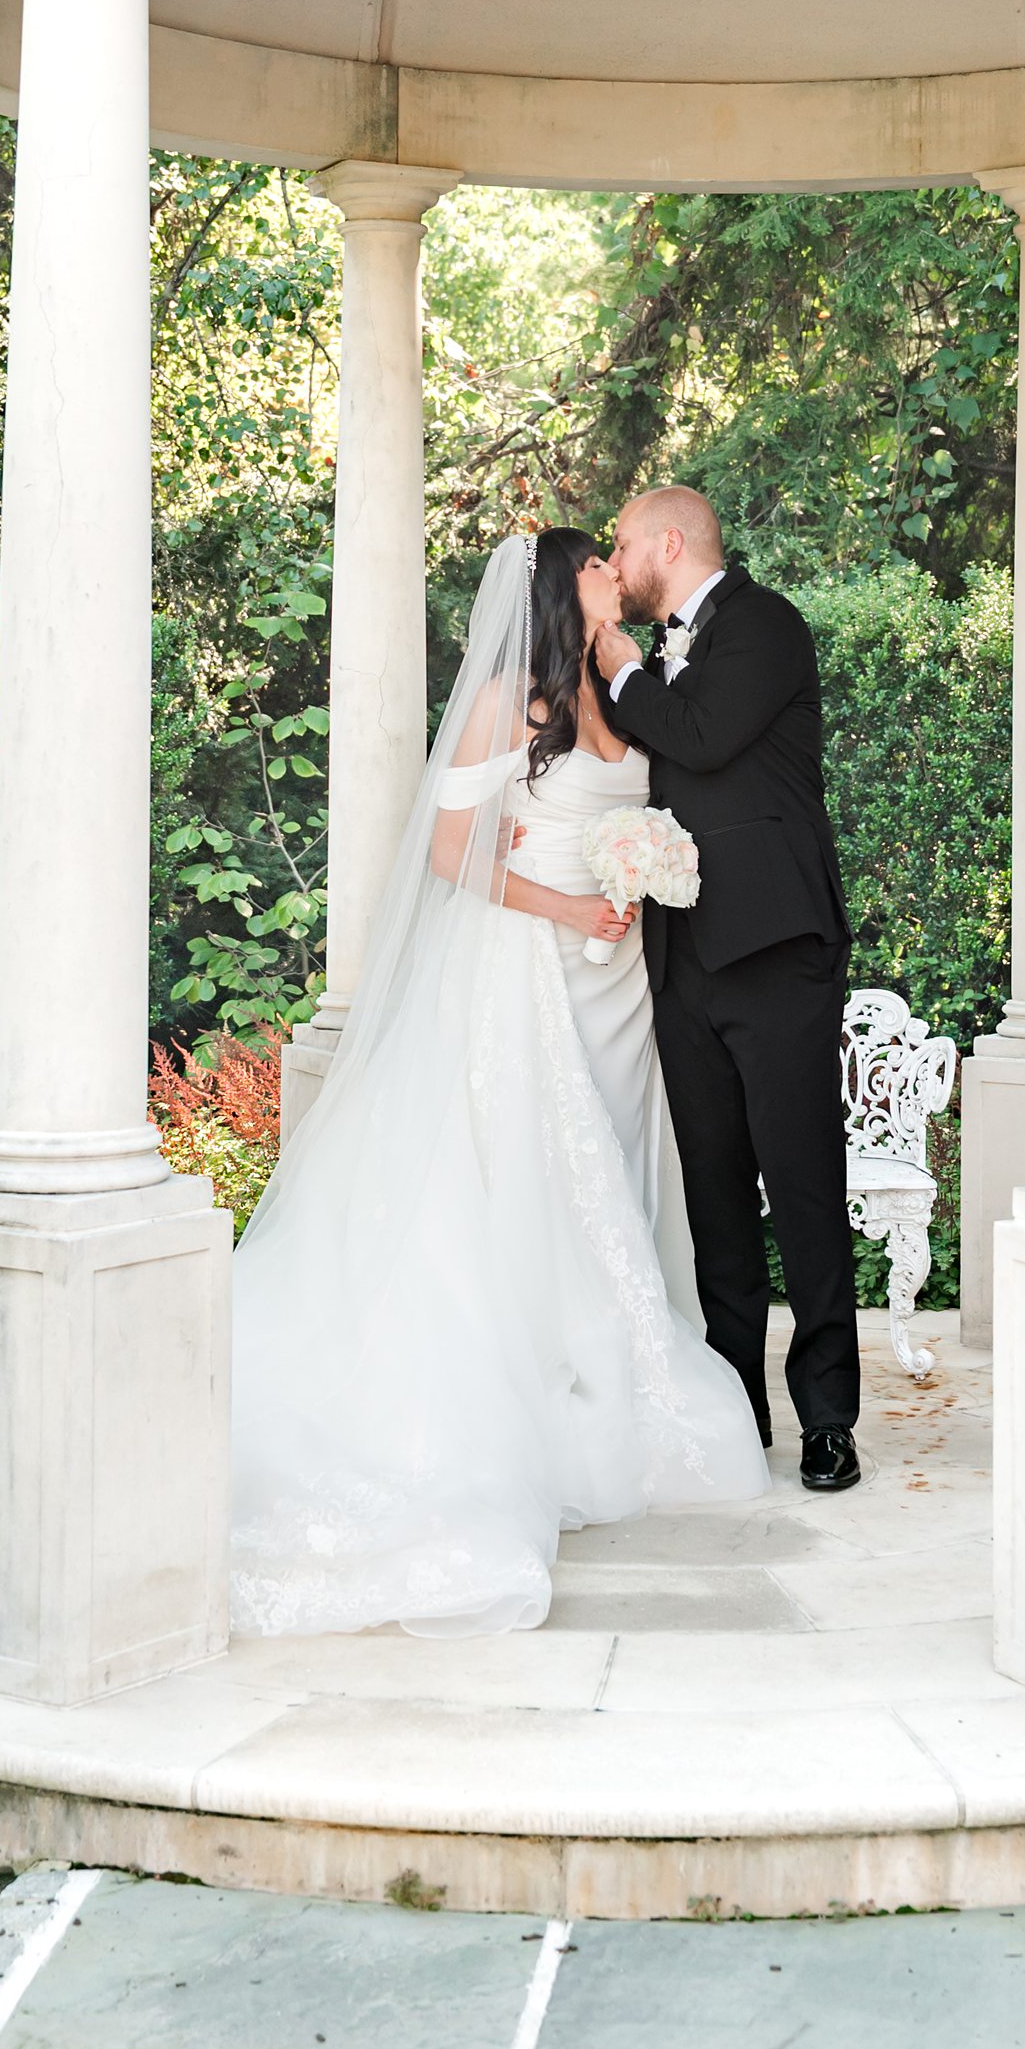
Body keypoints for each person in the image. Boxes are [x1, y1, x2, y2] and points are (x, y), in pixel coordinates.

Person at [225, 530, 771, 1635]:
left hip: (619, 975)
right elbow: (449, 849)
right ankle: (534, 1386)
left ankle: (595, 1371)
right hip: (530, 964)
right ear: (563, 588)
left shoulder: (626, 691)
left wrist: (639, 877)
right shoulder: (505, 707)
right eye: (597, 564)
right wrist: (572, 905)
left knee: (608, 1167)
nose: (616, 571)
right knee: (529, 1169)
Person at [590, 487, 860, 1492]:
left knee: (801, 1184)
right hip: (680, 957)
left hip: (777, 947)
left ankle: (829, 1417)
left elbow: (699, 738)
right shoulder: (655, 651)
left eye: (624, 541)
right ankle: (735, 1405)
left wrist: (619, 666)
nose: (617, 560)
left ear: (670, 540)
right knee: (715, 1197)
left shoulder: (766, 624)